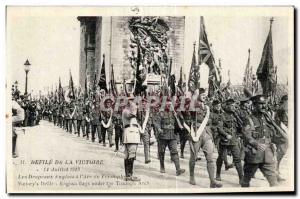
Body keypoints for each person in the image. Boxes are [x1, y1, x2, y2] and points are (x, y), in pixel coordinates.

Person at [241, 95, 287, 187]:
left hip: (268, 154)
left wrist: (281, 139)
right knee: (246, 181)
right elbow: (246, 135)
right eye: (260, 104)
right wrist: (256, 144)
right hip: (254, 155)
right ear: (254, 105)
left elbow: (272, 135)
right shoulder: (249, 119)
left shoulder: (268, 118)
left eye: (264, 104)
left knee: (274, 182)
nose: (263, 106)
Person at [182, 88, 222, 188]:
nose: (205, 96)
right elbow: (186, 108)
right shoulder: (192, 104)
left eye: (205, 95)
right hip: (196, 132)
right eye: (202, 94)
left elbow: (211, 119)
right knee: (194, 157)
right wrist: (194, 98)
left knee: (210, 158)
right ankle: (191, 176)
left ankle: (212, 181)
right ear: (198, 95)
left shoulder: (207, 107)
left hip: (207, 133)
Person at [216, 98, 243, 185]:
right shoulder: (222, 115)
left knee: (237, 159)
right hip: (224, 140)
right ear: (226, 106)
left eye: (233, 106)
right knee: (221, 157)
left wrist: (239, 133)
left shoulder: (235, 115)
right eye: (231, 106)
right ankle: (218, 174)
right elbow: (219, 128)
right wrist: (226, 135)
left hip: (233, 139)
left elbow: (239, 126)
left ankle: (241, 178)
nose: (233, 107)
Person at [154, 100, 185, 176]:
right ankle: (162, 167)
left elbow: (180, 123)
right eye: (167, 104)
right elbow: (156, 122)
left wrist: (178, 115)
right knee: (161, 152)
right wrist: (159, 129)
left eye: (170, 104)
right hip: (163, 135)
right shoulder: (160, 113)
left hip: (172, 135)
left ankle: (178, 169)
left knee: (174, 151)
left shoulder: (174, 113)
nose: (169, 105)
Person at [122, 94, 142, 181]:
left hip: (133, 133)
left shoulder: (130, 109)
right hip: (130, 134)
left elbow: (139, 117)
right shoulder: (126, 111)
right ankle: (129, 175)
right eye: (130, 100)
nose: (132, 101)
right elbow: (133, 114)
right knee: (130, 155)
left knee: (129, 155)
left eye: (133, 100)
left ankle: (128, 175)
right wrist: (135, 106)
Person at [210, 99, 233, 171]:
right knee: (221, 150)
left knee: (224, 149)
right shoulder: (211, 114)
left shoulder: (222, 114)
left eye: (219, 106)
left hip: (223, 133)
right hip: (215, 134)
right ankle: (225, 164)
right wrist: (216, 128)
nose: (218, 107)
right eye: (216, 106)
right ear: (213, 106)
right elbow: (209, 125)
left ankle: (226, 164)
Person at [274, 95, 289, 182]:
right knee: (280, 154)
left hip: (286, 133)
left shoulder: (285, 108)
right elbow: (278, 123)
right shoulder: (282, 109)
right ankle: (276, 173)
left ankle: (277, 172)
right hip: (283, 134)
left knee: (282, 154)